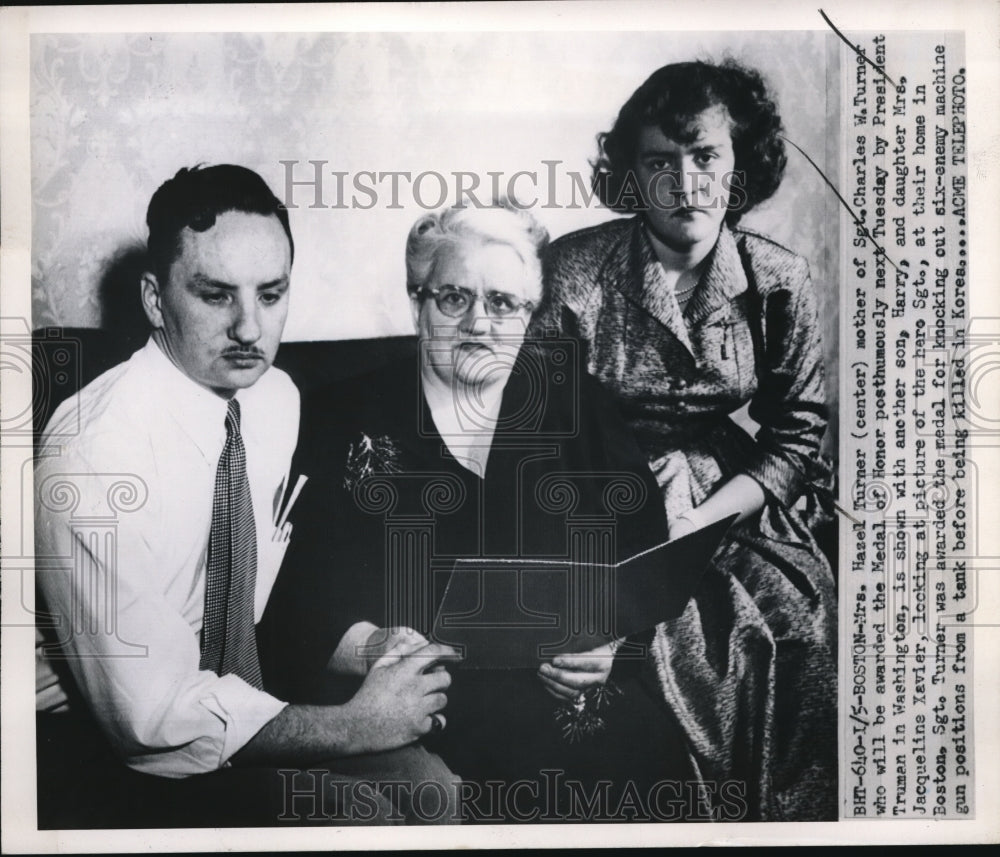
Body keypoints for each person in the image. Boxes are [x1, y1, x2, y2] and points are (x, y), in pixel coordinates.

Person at [34, 164, 459, 828]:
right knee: (352, 816)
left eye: (271, 293)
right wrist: (357, 724)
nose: (249, 327)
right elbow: (151, 720)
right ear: (153, 298)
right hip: (84, 737)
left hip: (231, 698)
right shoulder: (93, 450)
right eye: (215, 295)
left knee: (433, 789)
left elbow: (274, 600)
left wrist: (377, 646)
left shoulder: (276, 401)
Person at [258, 201, 703, 823]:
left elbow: (642, 560)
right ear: (417, 301)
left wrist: (610, 649)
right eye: (453, 298)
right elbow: (288, 606)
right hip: (420, 705)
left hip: (567, 696)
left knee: (648, 765)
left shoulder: (576, 400)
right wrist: (375, 649)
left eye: (502, 302)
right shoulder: (341, 415)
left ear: (530, 313)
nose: (478, 323)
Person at [531, 60, 837, 820]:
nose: (686, 183)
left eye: (705, 157)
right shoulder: (573, 269)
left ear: (739, 166)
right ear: (631, 175)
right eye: (659, 162)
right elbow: (534, 433)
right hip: (599, 488)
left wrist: (708, 514)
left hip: (732, 496)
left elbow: (798, 431)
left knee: (794, 622)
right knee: (664, 636)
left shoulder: (776, 280)